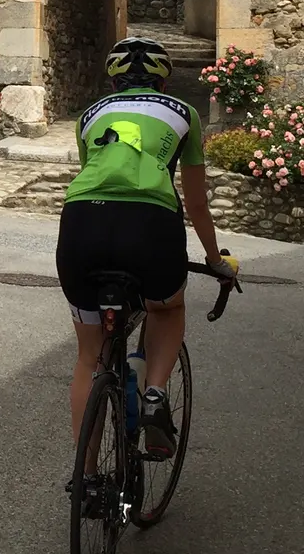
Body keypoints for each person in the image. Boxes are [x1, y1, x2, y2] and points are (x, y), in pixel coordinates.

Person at [55, 36, 237, 464]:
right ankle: (154, 393)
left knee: (89, 356)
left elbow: (94, 175)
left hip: (82, 220)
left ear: (114, 80)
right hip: (150, 224)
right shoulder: (185, 114)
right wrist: (215, 260)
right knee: (167, 308)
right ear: (164, 80)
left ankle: (86, 478)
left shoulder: (89, 115)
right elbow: (194, 203)